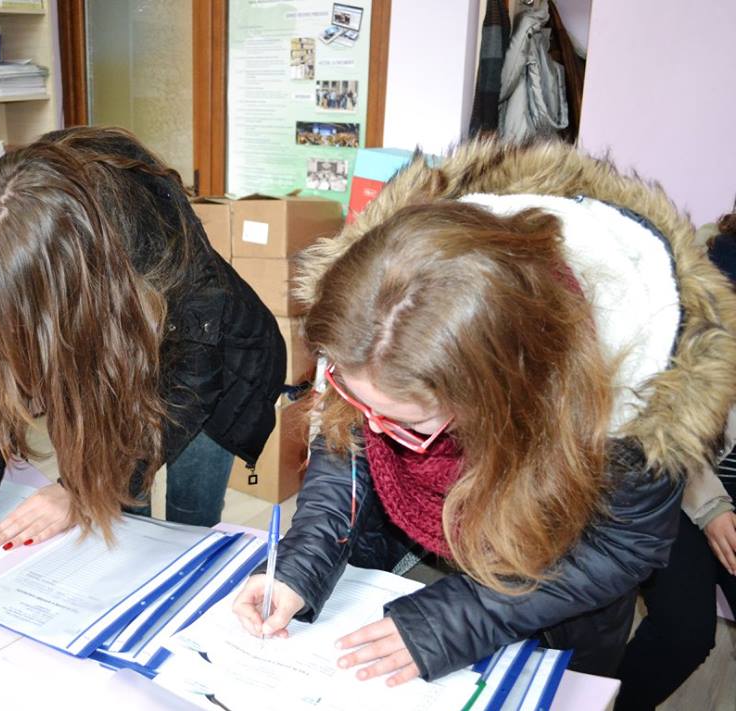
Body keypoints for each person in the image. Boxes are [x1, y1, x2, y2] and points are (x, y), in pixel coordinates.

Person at [232, 139, 736, 686]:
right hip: (422, 558)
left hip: (560, 603)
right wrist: (301, 564)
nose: (374, 428)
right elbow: (345, 447)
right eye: (358, 399)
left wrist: (453, 620)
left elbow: (621, 546)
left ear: (501, 395)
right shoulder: (370, 318)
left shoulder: (634, 395)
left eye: (407, 423)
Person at [0, 126, 285, 550]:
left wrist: (79, 491)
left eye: (9, 311)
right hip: (112, 344)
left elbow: (188, 388)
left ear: (65, 289)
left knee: (189, 519)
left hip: (208, 366)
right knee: (124, 512)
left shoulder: (161, 257)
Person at [614, 212, 736, 710]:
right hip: (674, 474)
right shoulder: (704, 277)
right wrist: (712, 508)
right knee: (684, 632)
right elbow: (661, 414)